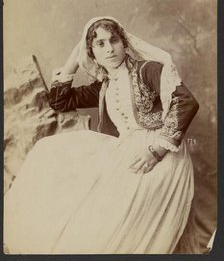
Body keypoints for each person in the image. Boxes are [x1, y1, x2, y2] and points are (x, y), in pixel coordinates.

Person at [4, 16, 199, 254]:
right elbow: (59, 102)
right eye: (100, 45)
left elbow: (185, 101)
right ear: (92, 53)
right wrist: (72, 63)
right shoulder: (105, 86)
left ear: (124, 43)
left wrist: (156, 152)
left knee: (114, 215)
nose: (109, 49)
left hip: (162, 155)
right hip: (125, 151)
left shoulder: (148, 70)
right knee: (49, 151)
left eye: (113, 41)